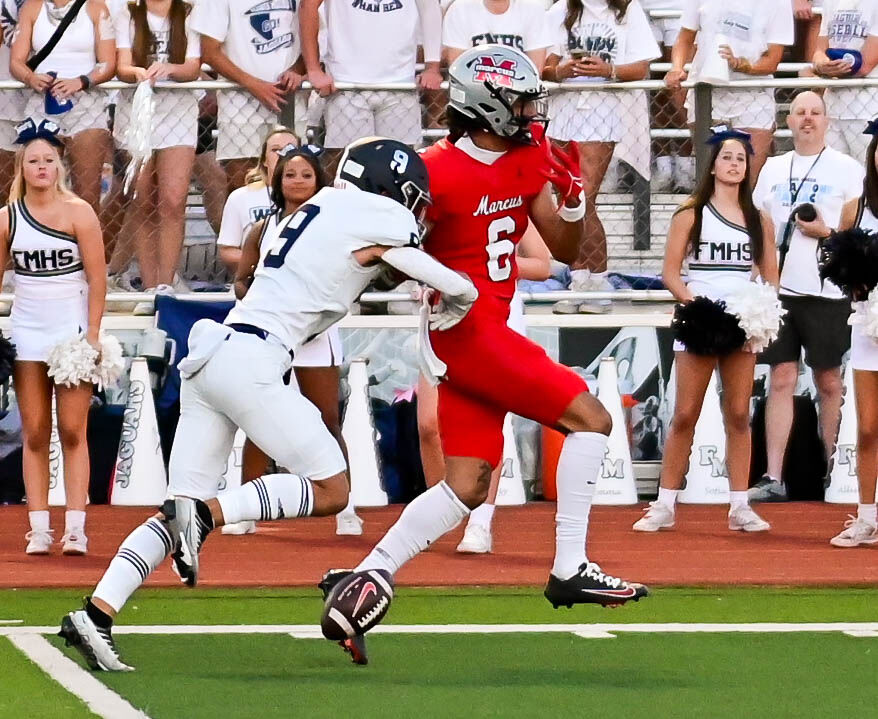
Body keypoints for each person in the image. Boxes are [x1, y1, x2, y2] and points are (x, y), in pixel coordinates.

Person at [58, 137, 479, 672]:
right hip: (255, 360)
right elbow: (434, 275)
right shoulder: (373, 213)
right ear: (387, 186)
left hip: (214, 353)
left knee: (174, 509)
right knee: (332, 488)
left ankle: (96, 613)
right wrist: (463, 296)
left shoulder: (309, 210)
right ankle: (208, 515)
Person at [321, 45, 648, 664]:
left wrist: (574, 200)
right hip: (465, 330)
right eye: (519, 101)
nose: (530, 112)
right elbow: (383, 260)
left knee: (467, 484)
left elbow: (565, 249)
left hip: (487, 326)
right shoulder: (429, 170)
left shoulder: (529, 157)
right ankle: (570, 564)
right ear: (487, 104)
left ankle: (367, 576)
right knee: (592, 421)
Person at [633, 128, 777, 533]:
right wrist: (696, 304)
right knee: (684, 413)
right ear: (712, 166)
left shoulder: (759, 219)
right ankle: (664, 504)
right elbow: (669, 273)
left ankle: (739, 506)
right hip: (699, 320)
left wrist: (757, 314)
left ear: (748, 167)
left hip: (741, 324)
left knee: (737, 413)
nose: (734, 164)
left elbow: (770, 277)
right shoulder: (690, 213)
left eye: (741, 158)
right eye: (727, 157)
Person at [223, 144, 362, 537]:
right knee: (258, 418)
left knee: (327, 417)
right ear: (276, 180)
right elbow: (241, 278)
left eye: (306, 174)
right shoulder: (262, 228)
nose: (298, 181)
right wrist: (249, 294)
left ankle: (346, 506)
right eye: (289, 174)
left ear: (320, 179)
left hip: (315, 334)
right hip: (272, 334)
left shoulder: (335, 226)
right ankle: (245, 508)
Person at [749, 91, 864, 502]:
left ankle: (834, 468)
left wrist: (825, 234)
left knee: (829, 380)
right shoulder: (773, 168)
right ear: (789, 121)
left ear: (827, 120)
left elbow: (852, 233)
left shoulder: (847, 169)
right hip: (781, 290)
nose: (808, 119)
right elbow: (761, 224)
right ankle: (773, 475)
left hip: (827, 290)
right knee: (780, 377)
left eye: (815, 112)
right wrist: (765, 278)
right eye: (800, 112)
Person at [0, 118, 106, 555]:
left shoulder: (80, 211)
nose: (41, 167)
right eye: (33, 161)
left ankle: (76, 527)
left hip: (71, 329)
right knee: (36, 431)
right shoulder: (7, 217)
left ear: (59, 165)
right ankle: (39, 527)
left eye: (48, 160)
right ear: (21, 168)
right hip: (27, 326)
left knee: (73, 429)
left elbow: (98, 279)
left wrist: (94, 335)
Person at [417, 226, 552, 553]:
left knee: (490, 422)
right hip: (441, 316)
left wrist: (490, 265)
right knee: (428, 425)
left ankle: (480, 522)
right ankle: (442, 512)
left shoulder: (511, 198)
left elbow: (543, 264)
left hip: (494, 317)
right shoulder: (439, 200)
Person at [543, 0, 659, 314]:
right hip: (563, 112)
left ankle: (599, 280)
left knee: (584, 199)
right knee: (568, 201)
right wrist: (561, 71)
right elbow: (543, 66)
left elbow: (641, 68)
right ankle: (579, 280)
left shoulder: (627, 11)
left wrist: (608, 69)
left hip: (604, 112)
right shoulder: (559, 13)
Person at [114, 0, 201, 292]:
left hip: (178, 113)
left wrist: (169, 69)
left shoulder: (188, 14)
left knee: (173, 200)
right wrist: (137, 73)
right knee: (143, 201)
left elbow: (193, 67)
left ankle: (166, 283)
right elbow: (122, 65)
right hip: (138, 113)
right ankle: (150, 285)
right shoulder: (129, 13)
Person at [665, 0, 794, 182]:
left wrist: (741, 64)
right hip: (707, 93)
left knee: (748, 180)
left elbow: (772, 60)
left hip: (753, 95)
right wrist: (676, 68)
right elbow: (685, 37)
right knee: (709, 178)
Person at [300, 0, 442, 161]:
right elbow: (308, 5)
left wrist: (432, 67)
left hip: (401, 82)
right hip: (345, 83)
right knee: (347, 164)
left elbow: (430, 8)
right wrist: (313, 68)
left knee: (398, 164)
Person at [10, 0, 116, 216]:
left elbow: (108, 63)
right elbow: (16, 61)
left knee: (86, 195)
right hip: (43, 103)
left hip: (86, 103)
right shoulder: (32, 8)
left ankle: (85, 246)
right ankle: (43, 244)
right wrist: (30, 77)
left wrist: (82, 81)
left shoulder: (96, 8)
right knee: (39, 189)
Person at [190, 0, 303, 193]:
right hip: (239, 101)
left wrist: (297, 70)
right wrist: (254, 85)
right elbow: (209, 52)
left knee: (293, 177)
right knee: (242, 183)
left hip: (289, 101)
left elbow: (316, 36)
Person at [829, 118, 878, 548]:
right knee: (867, 427)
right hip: (868, 325)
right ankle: (866, 516)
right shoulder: (856, 208)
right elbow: (840, 264)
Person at [215, 126, 298, 275]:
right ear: (264, 160)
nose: (283, 154)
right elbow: (227, 250)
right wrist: (261, 261)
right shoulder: (240, 197)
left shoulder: (317, 198)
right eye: (275, 150)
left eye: (290, 149)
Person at [812, 0, 878, 163]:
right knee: (833, 175)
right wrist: (821, 65)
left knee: (867, 173)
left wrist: (828, 69)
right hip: (832, 107)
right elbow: (819, 50)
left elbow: (865, 64)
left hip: (868, 108)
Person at [442, 0, 552, 70]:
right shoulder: (460, 8)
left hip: (518, 94)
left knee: (526, 106)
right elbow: (457, 66)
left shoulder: (533, 9)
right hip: (474, 93)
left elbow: (535, 68)